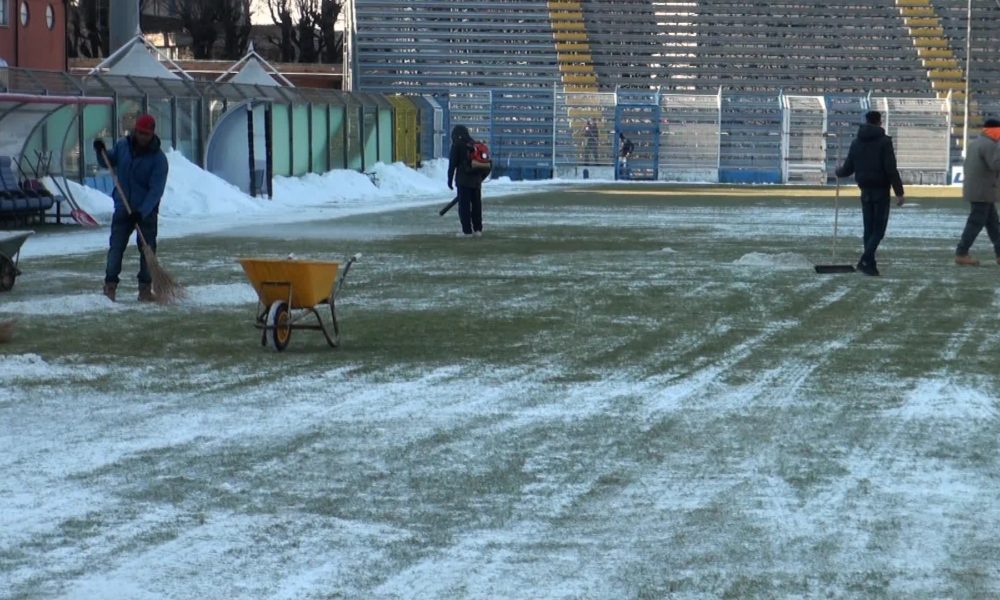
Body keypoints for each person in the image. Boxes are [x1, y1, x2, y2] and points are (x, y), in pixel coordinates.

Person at [94, 114, 169, 302]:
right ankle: (110, 287)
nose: (143, 137)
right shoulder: (122, 146)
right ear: (135, 130)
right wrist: (100, 150)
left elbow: (156, 191)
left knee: (147, 251)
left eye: (146, 134)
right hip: (122, 207)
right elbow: (108, 161)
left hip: (146, 213)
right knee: (116, 248)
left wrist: (141, 212)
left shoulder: (159, 160)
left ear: (152, 134)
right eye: (140, 132)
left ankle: (144, 290)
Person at [835, 110, 905, 276]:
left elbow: (847, 169)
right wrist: (899, 192)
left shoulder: (856, 142)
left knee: (868, 229)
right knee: (878, 230)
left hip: (864, 189)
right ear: (880, 122)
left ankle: (870, 265)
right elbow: (890, 169)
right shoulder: (884, 142)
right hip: (881, 189)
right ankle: (865, 260)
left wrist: (838, 171)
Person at [954, 118, 1000, 266]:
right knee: (975, 223)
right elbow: (995, 165)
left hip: (979, 190)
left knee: (993, 224)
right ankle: (961, 253)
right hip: (983, 191)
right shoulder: (990, 145)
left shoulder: (977, 143)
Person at [447, 125, 489, 237]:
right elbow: (486, 165)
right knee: (476, 206)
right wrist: (481, 178)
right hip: (476, 181)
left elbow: (452, 164)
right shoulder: (474, 144)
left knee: (464, 206)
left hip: (463, 181)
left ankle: (467, 231)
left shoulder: (457, 145)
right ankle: (478, 229)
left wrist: (450, 180)